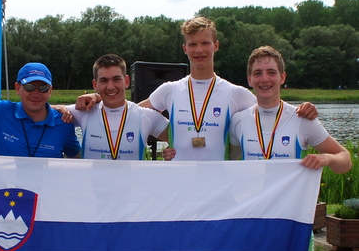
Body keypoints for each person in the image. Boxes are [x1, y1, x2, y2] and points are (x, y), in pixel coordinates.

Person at [229, 45, 352, 251]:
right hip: (253, 226)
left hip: (293, 228)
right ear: (249, 79)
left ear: (282, 77)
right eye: (258, 73)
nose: (265, 78)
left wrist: (325, 159)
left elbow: (345, 159)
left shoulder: (302, 119)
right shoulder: (239, 122)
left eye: (271, 72)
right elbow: (229, 169)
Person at [76, 17, 317, 161]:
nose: (199, 50)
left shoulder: (237, 93)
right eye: (193, 44)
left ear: (216, 46)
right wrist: (96, 97)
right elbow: (125, 114)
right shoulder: (168, 90)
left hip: (219, 186)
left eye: (205, 43)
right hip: (179, 183)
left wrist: (302, 109)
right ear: (185, 49)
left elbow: (272, 111)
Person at [67, 54, 169, 160]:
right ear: (95, 84)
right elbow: (49, 110)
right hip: (94, 177)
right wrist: (61, 108)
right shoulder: (84, 112)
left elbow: (183, 136)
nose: (110, 87)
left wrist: (172, 152)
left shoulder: (146, 116)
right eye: (104, 80)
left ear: (126, 81)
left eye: (116, 79)